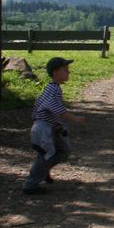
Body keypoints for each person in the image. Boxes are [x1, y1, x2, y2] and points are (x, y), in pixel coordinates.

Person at [23, 57, 86, 194]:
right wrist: (75, 118)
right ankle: (31, 185)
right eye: (65, 70)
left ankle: (44, 170)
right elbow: (56, 109)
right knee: (46, 155)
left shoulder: (54, 88)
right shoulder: (52, 90)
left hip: (51, 127)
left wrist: (58, 125)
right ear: (55, 72)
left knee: (64, 150)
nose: (68, 73)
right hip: (43, 128)